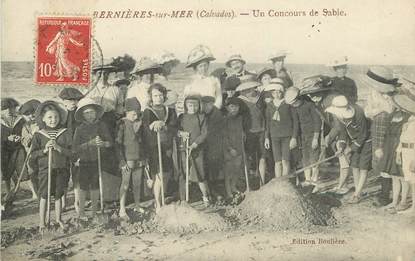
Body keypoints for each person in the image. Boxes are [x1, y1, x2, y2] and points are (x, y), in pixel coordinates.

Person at [30, 101, 72, 232]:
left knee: (59, 195)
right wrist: (44, 150)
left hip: (61, 169)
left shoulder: (64, 133)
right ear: (43, 118)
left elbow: (71, 152)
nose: (53, 120)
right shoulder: (39, 135)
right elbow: (33, 154)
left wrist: (59, 148)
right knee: (44, 195)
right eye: (49, 117)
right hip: (45, 170)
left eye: (56, 117)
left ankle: (58, 219)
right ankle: (42, 222)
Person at [364, 66, 400, 206]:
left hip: (387, 133)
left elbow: (387, 112)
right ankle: (385, 194)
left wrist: (376, 110)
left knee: (385, 163)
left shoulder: (390, 97)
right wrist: (378, 109)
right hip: (380, 131)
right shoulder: (375, 93)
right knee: (381, 164)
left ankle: (385, 196)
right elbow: (367, 112)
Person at [326, 95, 372, 203]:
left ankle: (357, 195)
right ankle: (358, 191)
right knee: (354, 166)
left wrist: (351, 148)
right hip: (354, 141)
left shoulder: (358, 112)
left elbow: (363, 134)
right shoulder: (338, 116)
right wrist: (341, 148)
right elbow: (343, 133)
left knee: (363, 167)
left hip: (366, 141)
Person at [72, 98, 113, 220]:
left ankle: (95, 212)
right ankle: (81, 213)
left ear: (96, 113)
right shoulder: (79, 129)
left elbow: (110, 142)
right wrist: (89, 144)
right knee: (83, 187)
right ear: (82, 115)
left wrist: (104, 144)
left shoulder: (102, 125)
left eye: (92, 112)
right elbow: (75, 148)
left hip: (98, 160)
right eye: (86, 113)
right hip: (84, 161)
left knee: (95, 186)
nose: (90, 115)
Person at [142, 83, 178, 212]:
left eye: (161, 95)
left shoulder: (170, 111)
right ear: (151, 97)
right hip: (154, 147)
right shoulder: (147, 112)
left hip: (168, 146)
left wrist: (164, 124)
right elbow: (145, 130)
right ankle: (158, 202)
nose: (158, 98)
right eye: (155, 95)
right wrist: (153, 126)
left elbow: (174, 127)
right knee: (159, 174)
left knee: (167, 173)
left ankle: (163, 198)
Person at [115, 97, 146, 219]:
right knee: (125, 184)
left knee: (137, 184)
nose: (135, 116)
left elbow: (143, 142)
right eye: (133, 113)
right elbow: (118, 144)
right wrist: (122, 161)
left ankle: (137, 205)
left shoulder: (140, 123)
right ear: (127, 112)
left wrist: (144, 158)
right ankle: (122, 209)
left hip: (139, 158)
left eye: (137, 113)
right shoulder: (122, 124)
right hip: (127, 159)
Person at [177, 95, 211, 206]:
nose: (193, 107)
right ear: (186, 105)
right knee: (184, 173)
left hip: (197, 150)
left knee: (200, 173)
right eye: (190, 105)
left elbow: (205, 133)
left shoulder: (202, 117)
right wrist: (181, 133)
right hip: (184, 149)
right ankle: (183, 199)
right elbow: (176, 131)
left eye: (195, 105)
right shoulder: (181, 117)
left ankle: (206, 196)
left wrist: (195, 144)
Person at [285, 87, 322, 185]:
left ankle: (315, 180)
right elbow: (296, 123)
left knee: (314, 156)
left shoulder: (309, 105)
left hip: (312, 134)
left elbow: (317, 122)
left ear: (298, 98)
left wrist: (315, 138)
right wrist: (294, 137)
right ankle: (308, 179)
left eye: (294, 102)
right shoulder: (294, 108)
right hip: (303, 136)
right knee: (305, 157)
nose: (293, 105)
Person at [235, 76, 267, 186]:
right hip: (248, 132)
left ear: (255, 87)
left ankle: (262, 181)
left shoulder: (261, 98)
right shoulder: (240, 100)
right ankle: (249, 181)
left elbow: (265, 115)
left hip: (261, 131)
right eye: (245, 90)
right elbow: (239, 118)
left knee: (262, 156)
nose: (248, 92)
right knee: (249, 157)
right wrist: (242, 132)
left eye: (250, 88)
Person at [264, 83, 299, 178]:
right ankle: (278, 182)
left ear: (282, 92)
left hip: (287, 136)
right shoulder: (269, 105)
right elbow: (267, 123)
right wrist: (266, 137)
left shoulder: (288, 104)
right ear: (271, 93)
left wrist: (294, 137)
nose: (277, 94)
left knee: (285, 160)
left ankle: (285, 182)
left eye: (279, 92)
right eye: (274, 92)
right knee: (277, 161)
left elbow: (295, 122)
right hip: (274, 136)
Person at [58, 87, 84, 212]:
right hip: (63, 149)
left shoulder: (79, 115)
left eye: (75, 100)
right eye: (70, 100)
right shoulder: (60, 116)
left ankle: (77, 202)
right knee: (63, 175)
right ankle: (63, 203)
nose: (73, 102)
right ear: (64, 101)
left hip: (76, 149)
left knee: (77, 176)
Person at [381, 109, 410, 213]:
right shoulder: (392, 115)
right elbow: (385, 134)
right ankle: (394, 201)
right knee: (394, 176)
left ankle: (403, 201)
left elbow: (405, 136)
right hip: (389, 147)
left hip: (400, 147)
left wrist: (399, 150)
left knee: (402, 175)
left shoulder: (408, 117)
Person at [394, 90, 415, 214]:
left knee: (414, 180)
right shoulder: (409, 120)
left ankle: (413, 209)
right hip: (406, 151)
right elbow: (402, 138)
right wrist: (398, 152)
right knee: (409, 179)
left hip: (413, 152)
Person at [201, 96, 224, 200]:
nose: (207, 106)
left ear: (212, 104)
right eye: (205, 104)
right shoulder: (201, 113)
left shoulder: (217, 113)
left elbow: (220, 130)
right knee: (204, 167)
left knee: (214, 166)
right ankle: (207, 189)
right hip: (203, 144)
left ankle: (214, 188)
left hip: (215, 143)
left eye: (209, 104)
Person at [1, 98, 26, 194]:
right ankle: (8, 192)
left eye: (11, 108)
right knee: (6, 171)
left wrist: (20, 138)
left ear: (15, 108)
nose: (8, 110)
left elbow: (24, 132)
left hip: (17, 148)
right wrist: (6, 138)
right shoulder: (1, 121)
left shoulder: (20, 120)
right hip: (4, 150)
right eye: (5, 108)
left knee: (22, 169)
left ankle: (33, 192)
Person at [222, 97, 245, 200]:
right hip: (228, 149)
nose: (234, 109)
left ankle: (233, 186)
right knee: (228, 170)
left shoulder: (240, 118)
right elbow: (224, 136)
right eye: (232, 107)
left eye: (236, 107)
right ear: (227, 108)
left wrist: (243, 133)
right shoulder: (225, 120)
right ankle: (228, 191)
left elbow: (241, 130)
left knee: (237, 168)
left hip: (239, 147)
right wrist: (230, 148)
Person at [20, 99, 41, 200]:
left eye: (33, 112)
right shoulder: (26, 126)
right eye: (28, 114)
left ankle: (46, 193)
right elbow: (25, 142)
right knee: (32, 173)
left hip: (43, 154)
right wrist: (32, 133)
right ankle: (36, 193)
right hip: (31, 154)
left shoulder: (43, 123)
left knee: (44, 174)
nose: (31, 115)